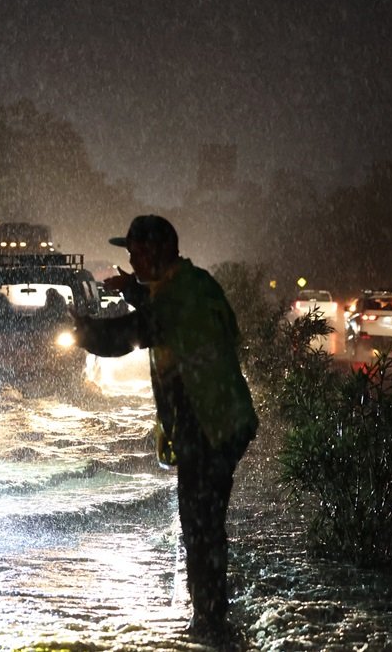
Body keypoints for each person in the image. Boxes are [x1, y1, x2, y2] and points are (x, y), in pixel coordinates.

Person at [72, 215, 257, 640]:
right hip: (225, 417)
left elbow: (134, 334)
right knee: (203, 521)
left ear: (156, 252)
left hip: (209, 424)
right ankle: (209, 613)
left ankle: (209, 622)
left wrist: (86, 332)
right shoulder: (196, 283)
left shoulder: (178, 297)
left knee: (201, 524)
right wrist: (134, 290)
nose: (133, 260)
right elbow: (170, 312)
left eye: (136, 253)